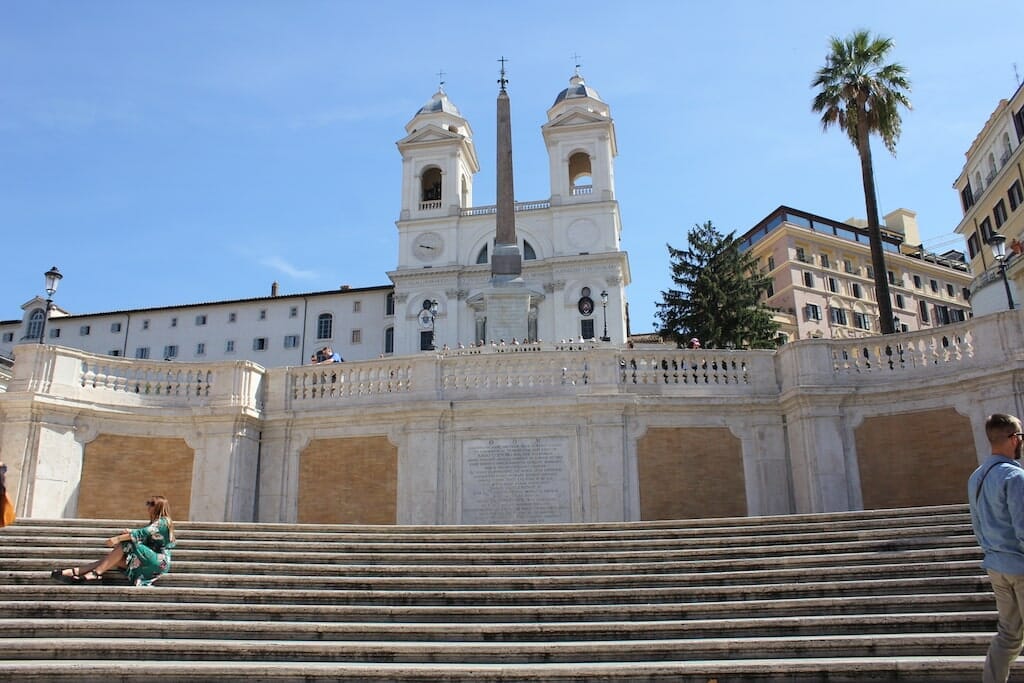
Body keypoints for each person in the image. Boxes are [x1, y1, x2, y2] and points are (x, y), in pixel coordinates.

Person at [968, 413, 1024, 682]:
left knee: (1009, 635)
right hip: (1020, 566)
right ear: (1013, 439)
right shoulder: (1015, 476)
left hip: (996, 567)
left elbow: (977, 524)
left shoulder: (976, 477)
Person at [52, 495, 177, 586]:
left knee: (126, 543)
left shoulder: (163, 522)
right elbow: (144, 535)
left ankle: (94, 574)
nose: (148, 506)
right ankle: (77, 571)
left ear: (159, 507)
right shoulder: (155, 523)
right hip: (148, 560)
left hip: (159, 561)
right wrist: (129, 532)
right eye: (148, 503)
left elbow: (141, 533)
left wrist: (117, 539)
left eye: (151, 503)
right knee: (112, 559)